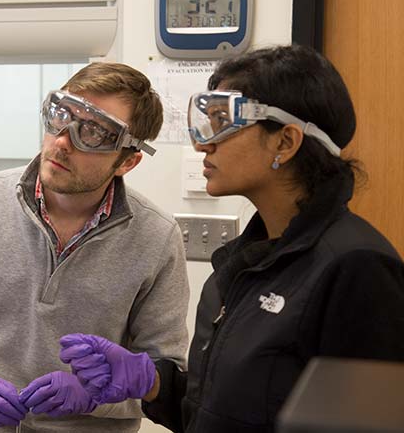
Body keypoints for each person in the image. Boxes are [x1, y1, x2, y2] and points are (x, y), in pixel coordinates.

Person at [59, 45, 404, 433]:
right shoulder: (241, 265)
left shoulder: (356, 266)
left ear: (285, 142)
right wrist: (153, 383)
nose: (202, 144)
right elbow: (217, 413)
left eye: (222, 123)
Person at [0, 62, 190, 432]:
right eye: (62, 115)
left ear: (128, 160)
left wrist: (95, 396)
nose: (62, 141)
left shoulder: (156, 237)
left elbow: (162, 376)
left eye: (93, 132)